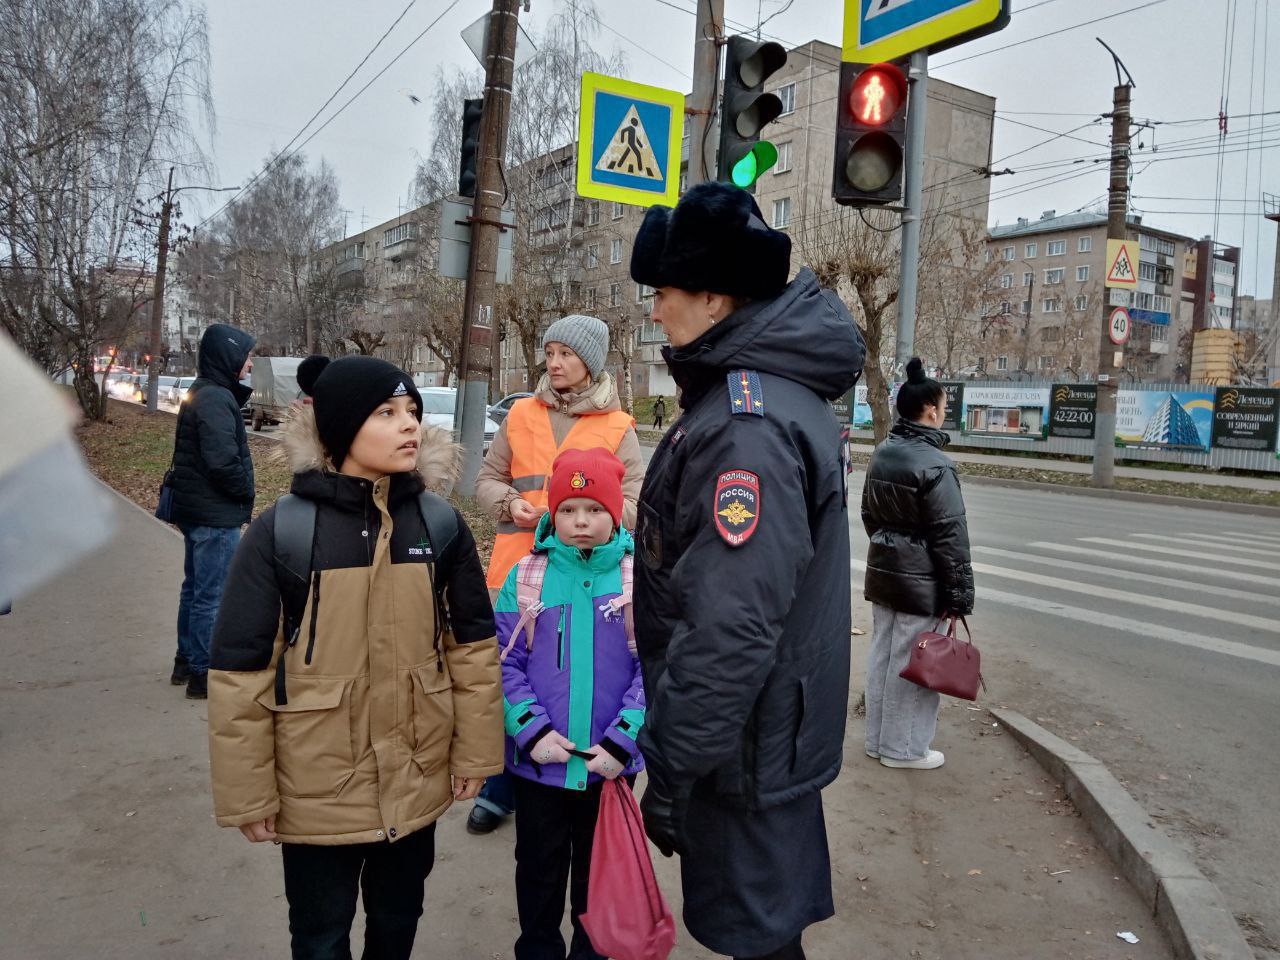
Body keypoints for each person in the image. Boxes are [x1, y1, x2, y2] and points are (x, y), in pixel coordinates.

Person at [627, 182, 865, 960]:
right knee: (768, 932)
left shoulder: (744, 429)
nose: (656, 311)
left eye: (663, 294)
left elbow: (730, 624)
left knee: (759, 938)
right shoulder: (757, 402)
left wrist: (673, 764)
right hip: (759, 729)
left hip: (742, 742)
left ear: (714, 298)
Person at [206, 355, 503, 960]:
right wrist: (249, 793)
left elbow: (472, 652)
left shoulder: (440, 525)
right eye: (387, 413)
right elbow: (240, 674)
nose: (410, 426)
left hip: (414, 779)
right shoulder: (284, 532)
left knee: (397, 924)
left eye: (413, 412)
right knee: (320, 938)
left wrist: (475, 753)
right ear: (342, 428)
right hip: (317, 787)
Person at [469, 313, 644, 835]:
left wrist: (581, 518)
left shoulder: (619, 427)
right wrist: (507, 502)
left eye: (566, 354)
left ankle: (583, 775)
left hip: (592, 578)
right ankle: (501, 788)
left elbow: (635, 503)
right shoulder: (521, 413)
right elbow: (485, 479)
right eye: (550, 353)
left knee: (573, 677)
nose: (555, 363)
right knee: (513, 670)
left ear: (590, 362)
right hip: (517, 578)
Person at [494, 447, 645, 960]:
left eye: (595, 510)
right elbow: (502, 662)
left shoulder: (636, 581)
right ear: (553, 514)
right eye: (568, 510)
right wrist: (530, 731)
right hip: (540, 770)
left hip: (608, 768)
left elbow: (655, 670)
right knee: (537, 874)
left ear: (615, 512)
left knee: (596, 880)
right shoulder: (526, 577)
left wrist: (624, 741)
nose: (581, 522)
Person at [861, 358, 975, 771]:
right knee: (914, 663)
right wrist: (960, 594)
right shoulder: (936, 464)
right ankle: (904, 749)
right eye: (942, 405)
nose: (944, 411)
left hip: (884, 572)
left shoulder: (883, 452)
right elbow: (950, 536)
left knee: (884, 656)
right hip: (921, 579)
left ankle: (877, 741)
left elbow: (869, 516)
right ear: (929, 409)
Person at [168, 322, 255, 699]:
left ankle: (185, 661)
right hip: (214, 514)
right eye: (246, 357)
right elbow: (223, 462)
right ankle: (204, 675)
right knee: (212, 596)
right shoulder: (218, 398)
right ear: (229, 357)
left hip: (197, 509)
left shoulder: (202, 391)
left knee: (194, 590)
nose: (250, 365)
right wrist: (244, 491)